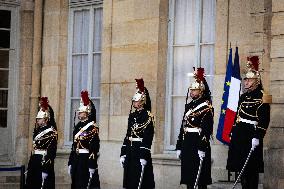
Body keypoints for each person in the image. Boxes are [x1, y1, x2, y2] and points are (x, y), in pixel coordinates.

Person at [227, 56, 271, 189]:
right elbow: (237, 116)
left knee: (251, 172)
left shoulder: (263, 96)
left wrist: (258, 136)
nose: (245, 82)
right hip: (240, 136)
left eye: (249, 79)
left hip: (251, 136)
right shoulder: (243, 96)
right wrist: (233, 131)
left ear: (256, 81)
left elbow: (264, 119)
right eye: (245, 79)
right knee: (241, 170)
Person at [176, 68, 214, 189]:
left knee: (200, 178)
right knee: (189, 177)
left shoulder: (206, 106)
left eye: (194, 90)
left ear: (201, 91)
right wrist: (179, 146)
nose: (192, 92)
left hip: (198, 143)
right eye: (191, 90)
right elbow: (183, 127)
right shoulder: (189, 106)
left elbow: (207, 128)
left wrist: (202, 146)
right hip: (187, 143)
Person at [120, 78, 155, 189]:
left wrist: (144, 155)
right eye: (134, 101)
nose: (134, 103)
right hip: (130, 151)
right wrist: (123, 152)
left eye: (137, 101)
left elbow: (148, 137)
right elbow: (128, 135)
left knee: (141, 181)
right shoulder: (132, 116)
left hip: (140, 150)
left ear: (143, 101)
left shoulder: (148, 116)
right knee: (130, 180)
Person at [68, 90, 100, 189]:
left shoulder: (92, 127)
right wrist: (70, 162)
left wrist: (92, 164)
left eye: (81, 112)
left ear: (87, 113)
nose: (79, 113)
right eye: (79, 111)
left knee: (85, 184)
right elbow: (74, 146)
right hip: (77, 160)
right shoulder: (78, 126)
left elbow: (94, 147)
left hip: (86, 161)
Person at [25, 97, 58, 189]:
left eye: (39, 119)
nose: (37, 120)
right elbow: (34, 149)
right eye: (37, 119)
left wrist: (46, 169)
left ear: (45, 119)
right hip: (35, 161)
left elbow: (51, 152)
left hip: (43, 162)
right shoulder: (37, 131)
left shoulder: (51, 132)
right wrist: (30, 165)